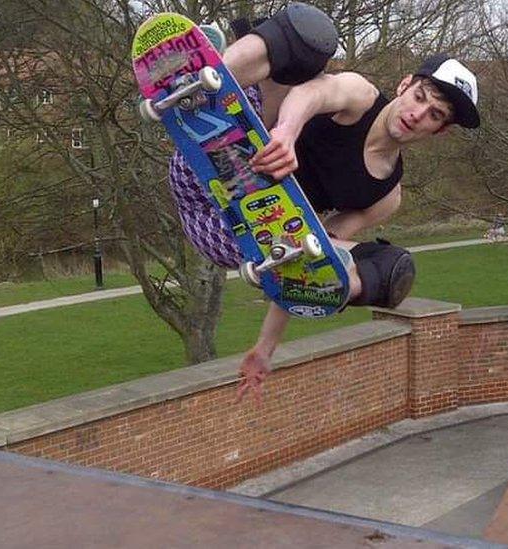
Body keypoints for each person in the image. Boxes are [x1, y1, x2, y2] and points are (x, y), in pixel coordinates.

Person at [167, 3, 482, 403]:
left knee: (390, 269)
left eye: (433, 114)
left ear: (440, 130)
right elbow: (313, 92)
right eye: (419, 97)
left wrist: (265, 349)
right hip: (205, 159)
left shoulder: (386, 195)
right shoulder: (359, 95)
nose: (416, 114)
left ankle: (210, 84)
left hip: (225, 229)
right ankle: (203, 80)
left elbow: (311, 263)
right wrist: (285, 133)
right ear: (405, 85)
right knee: (312, 37)